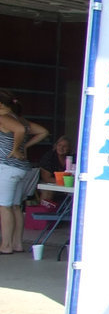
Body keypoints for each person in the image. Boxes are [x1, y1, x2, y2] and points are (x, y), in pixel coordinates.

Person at [0, 90, 49, 255]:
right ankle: (17, 244)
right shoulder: (20, 118)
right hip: (21, 168)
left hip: (7, 167)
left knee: (4, 207)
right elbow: (43, 131)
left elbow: (20, 130)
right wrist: (25, 146)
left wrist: (15, 149)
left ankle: (6, 246)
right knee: (16, 206)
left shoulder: (4, 118)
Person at [37, 136, 73, 204]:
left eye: (65, 146)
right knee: (47, 192)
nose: (61, 148)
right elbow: (46, 178)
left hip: (66, 184)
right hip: (47, 183)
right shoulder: (49, 157)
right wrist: (65, 182)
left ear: (69, 148)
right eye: (59, 145)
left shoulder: (71, 158)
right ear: (56, 146)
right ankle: (44, 210)